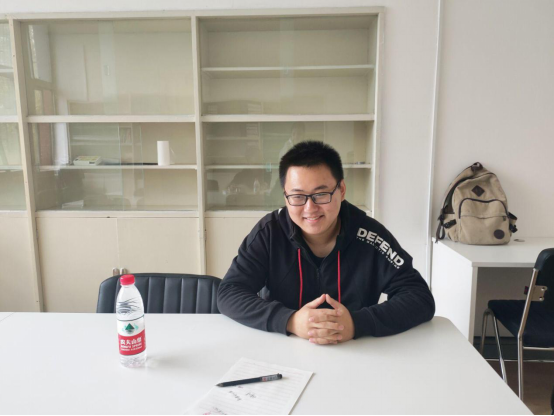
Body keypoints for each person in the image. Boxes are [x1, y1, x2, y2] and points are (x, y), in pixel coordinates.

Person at [217, 141, 435, 345]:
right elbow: (229, 292)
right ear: (285, 197)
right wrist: (290, 320)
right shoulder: (270, 233)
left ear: (341, 190)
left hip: (357, 352)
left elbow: (419, 297)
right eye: (297, 196)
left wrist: (356, 323)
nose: (310, 208)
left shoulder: (369, 235)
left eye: (321, 194)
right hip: (283, 348)